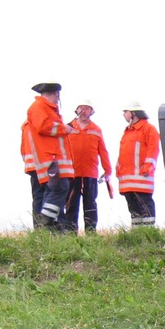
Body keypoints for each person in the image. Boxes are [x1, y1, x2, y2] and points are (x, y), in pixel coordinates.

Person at [25, 82, 78, 230]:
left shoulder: (47, 109)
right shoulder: (38, 107)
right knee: (60, 188)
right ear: (56, 94)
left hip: (54, 160)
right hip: (50, 160)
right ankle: (46, 220)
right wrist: (64, 128)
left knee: (55, 191)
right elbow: (43, 126)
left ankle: (51, 227)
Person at [64, 99, 112, 234]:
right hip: (72, 174)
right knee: (71, 203)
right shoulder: (68, 128)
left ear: (92, 111)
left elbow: (103, 151)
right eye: (82, 108)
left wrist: (107, 171)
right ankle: (70, 233)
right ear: (77, 110)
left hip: (90, 174)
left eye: (87, 108)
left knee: (90, 204)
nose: (84, 111)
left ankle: (91, 232)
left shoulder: (96, 130)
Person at [116, 101, 159, 227]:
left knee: (145, 206)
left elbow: (153, 149)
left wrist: (148, 167)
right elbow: (124, 153)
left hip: (142, 178)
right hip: (128, 181)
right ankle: (137, 235)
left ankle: (149, 233)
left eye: (125, 111)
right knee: (134, 211)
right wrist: (118, 168)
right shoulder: (128, 131)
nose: (124, 114)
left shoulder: (148, 129)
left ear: (133, 113)